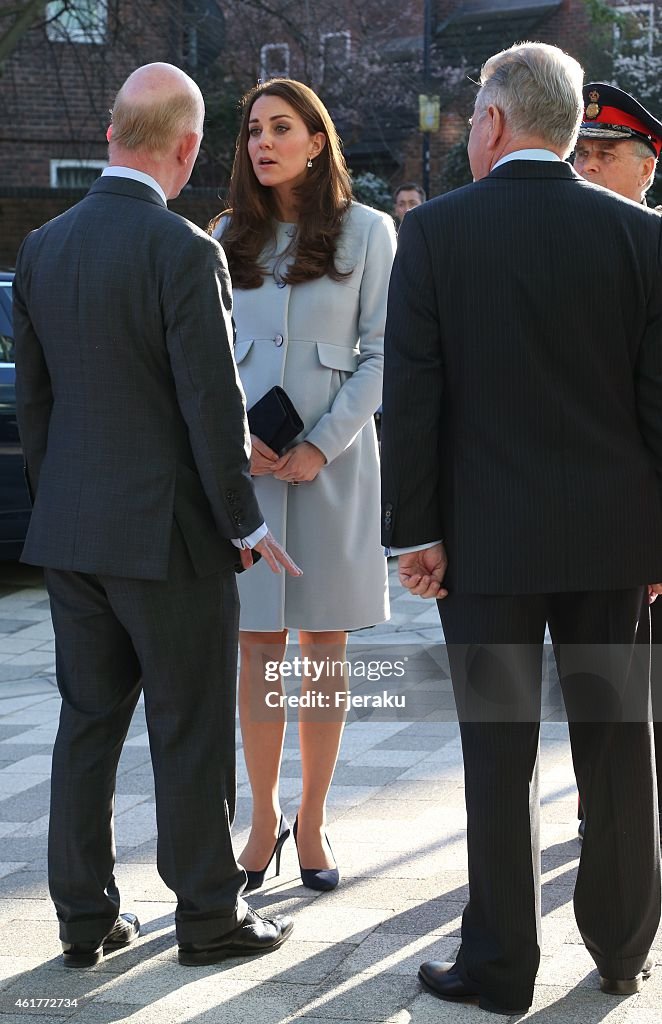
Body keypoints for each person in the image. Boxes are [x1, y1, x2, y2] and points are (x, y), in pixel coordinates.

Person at [381, 42, 662, 1015]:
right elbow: (658, 403)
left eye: (468, 119)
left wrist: (412, 532)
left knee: (496, 751)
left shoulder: (436, 235)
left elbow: (410, 398)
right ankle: (624, 948)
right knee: (615, 741)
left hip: (484, 547)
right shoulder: (640, 237)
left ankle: (498, 964)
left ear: (495, 122)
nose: (462, 136)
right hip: (612, 542)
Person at [12, 62, 301, 969]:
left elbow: (38, 409)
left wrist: (66, 503)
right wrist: (247, 525)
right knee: (189, 728)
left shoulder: (42, 247)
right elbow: (213, 408)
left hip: (72, 532)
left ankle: (83, 920)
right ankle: (210, 918)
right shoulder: (184, 250)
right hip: (169, 540)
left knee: (86, 725)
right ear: (185, 149)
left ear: (109, 135)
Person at [213, 78, 395, 893]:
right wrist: (230, 440)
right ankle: (262, 822)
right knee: (256, 647)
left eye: (281, 127)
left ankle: (314, 821)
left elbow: (387, 354)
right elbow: (203, 359)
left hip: (334, 469)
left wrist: (322, 442)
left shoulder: (369, 232)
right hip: (248, 478)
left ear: (316, 141)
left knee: (323, 648)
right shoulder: (222, 236)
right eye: (253, 129)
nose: (263, 142)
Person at [574, 82, 662, 841]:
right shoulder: (564, 253)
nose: (592, 168)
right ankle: (601, 809)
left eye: (608, 155)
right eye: (584, 154)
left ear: (647, 168)